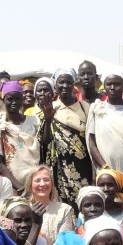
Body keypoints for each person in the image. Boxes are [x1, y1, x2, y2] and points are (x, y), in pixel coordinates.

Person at [41, 69, 94, 206]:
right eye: (61, 82)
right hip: (59, 169)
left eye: (69, 82)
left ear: (74, 84)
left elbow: (91, 139)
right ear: (56, 85)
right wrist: (48, 119)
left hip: (83, 167)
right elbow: (45, 142)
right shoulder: (49, 107)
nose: (65, 86)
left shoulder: (86, 108)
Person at [0, 81, 42, 188]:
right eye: (10, 99)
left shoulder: (34, 121)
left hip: (36, 181)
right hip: (12, 184)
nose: (14, 102)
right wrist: (18, 186)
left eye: (17, 98)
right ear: (3, 100)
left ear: (22, 99)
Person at [86, 72, 123, 176]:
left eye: (117, 84)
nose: (112, 87)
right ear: (104, 87)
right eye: (109, 84)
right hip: (105, 173)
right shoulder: (97, 108)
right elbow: (92, 144)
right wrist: (106, 168)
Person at [24, 166, 77, 245]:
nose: (42, 184)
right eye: (37, 180)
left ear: (52, 184)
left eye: (46, 180)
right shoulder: (23, 209)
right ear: (30, 185)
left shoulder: (64, 210)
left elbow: (64, 241)